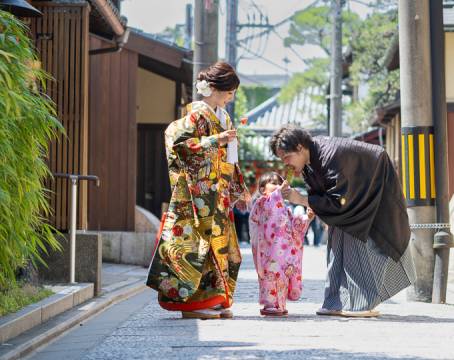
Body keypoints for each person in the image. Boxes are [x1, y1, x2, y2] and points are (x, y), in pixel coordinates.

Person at [271, 124, 416, 318]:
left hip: (370, 189)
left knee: (354, 241)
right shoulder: (310, 160)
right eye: (281, 159)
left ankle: (361, 304)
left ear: (299, 147)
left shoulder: (330, 154)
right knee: (336, 243)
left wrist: (304, 200)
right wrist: (312, 204)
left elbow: (340, 200)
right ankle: (335, 301)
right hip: (349, 200)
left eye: (286, 157)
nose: (285, 163)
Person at [146, 62, 251, 320]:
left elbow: (230, 160)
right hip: (197, 195)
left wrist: (238, 191)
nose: (231, 98)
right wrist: (216, 140)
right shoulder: (196, 116)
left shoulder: (222, 117)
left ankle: (212, 298)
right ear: (213, 89)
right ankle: (192, 303)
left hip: (218, 194)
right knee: (198, 246)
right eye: (229, 92)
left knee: (220, 247)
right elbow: (179, 145)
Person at [249, 172, 314, 316]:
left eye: (279, 183)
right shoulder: (261, 203)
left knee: (284, 272)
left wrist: (306, 218)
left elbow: (293, 225)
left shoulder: (285, 209)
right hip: (267, 247)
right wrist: (280, 191)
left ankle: (280, 303)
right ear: (262, 190)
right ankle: (270, 303)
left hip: (283, 249)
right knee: (269, 272)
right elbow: (268, 212)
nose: (278, 186)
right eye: (273, 183)